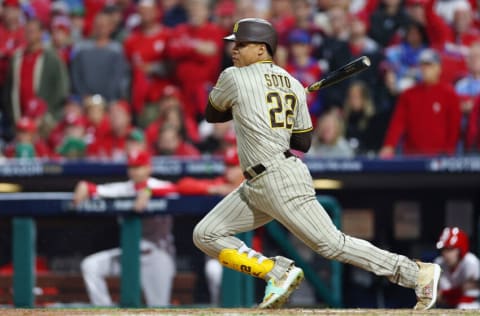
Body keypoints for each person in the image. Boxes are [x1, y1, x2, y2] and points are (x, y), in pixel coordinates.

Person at [192, 18, 441, 310]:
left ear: (262, 49)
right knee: (206, 234)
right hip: (258, 183)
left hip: (278, 176)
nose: (233, 49)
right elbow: (302, 143)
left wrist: (258, 106)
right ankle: (276, 271)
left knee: (331, 244)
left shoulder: (234, 76)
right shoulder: (294, 85)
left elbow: (213, 114)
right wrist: (286, 103)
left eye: (241, 44)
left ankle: (415, 273)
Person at [73, 148, 177, 307]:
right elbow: (94, 188)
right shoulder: (124, 188)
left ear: (149, 168)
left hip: (158, 256)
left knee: (159, 308)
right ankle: (106, 311)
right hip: (128, 254)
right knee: (90, 265)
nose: (135, 172)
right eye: (132, 167)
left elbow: (179, 189)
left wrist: (150, 191)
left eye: (139, 167)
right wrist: (84, 186)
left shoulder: (161, 185)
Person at [380, 49, 462, 157]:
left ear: (438, 68)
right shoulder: (408, 94)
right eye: (422, 65)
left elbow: (454, 127)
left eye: (429, 65)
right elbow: (398, 123)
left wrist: (449, 151)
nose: (425, 69)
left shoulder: (450, 94)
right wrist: (389, 145)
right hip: (411, 156)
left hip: (439, 157)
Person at [434, 227, 480, 309]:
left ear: (461, 250)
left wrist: (445, 294)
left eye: (450, 249)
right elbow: (437, 297)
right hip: (446, 306)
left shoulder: (471, 262)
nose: (445, 254)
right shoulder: (439, 263)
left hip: (470, 305)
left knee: (465, 306)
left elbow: (470, 295)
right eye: (444, 249)